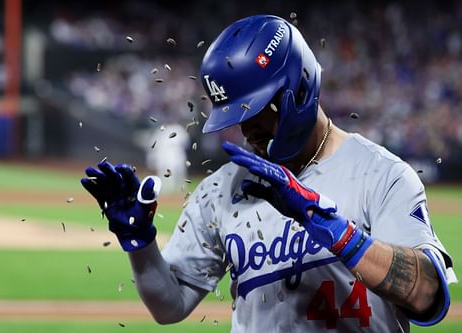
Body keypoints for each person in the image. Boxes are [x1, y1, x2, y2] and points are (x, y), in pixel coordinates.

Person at [81, 15, 456, 332]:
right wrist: (140, 243)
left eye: (255, 110)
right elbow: (170, 306)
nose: (246, 130)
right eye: (236, 115)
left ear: (300, 86)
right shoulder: (221, 190)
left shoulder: (380, 174)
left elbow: (426, 295)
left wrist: (335, 231)